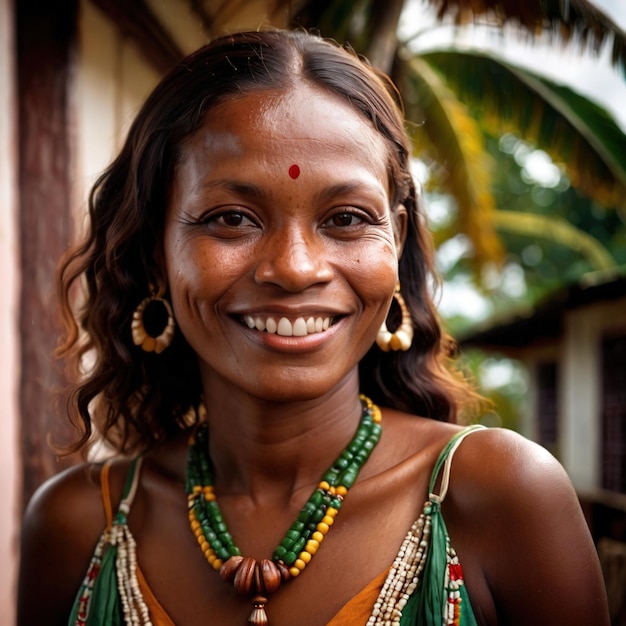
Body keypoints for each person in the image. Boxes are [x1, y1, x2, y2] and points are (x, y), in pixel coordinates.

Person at [17, 29, 609, 626]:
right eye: (232, 218)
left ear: (395, 242)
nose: (295, 268)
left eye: (347, 219)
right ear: (154, 252)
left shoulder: (500, 497)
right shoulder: (78, 524)